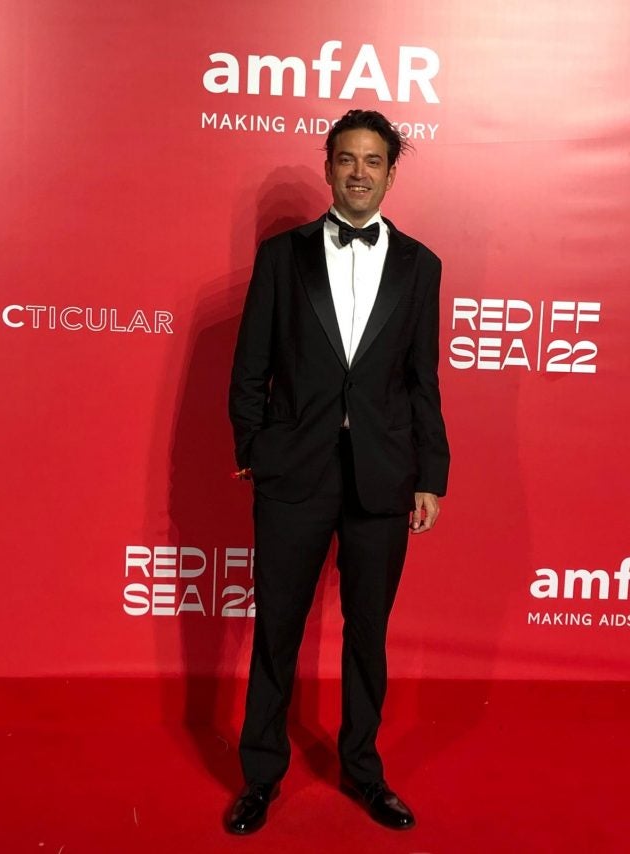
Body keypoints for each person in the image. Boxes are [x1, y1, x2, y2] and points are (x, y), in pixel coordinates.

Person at [226, 108, 450, 834]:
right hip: (294, 472)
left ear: (390, 173)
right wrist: (253, 449)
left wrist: (431, 473)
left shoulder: (421, 265)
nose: (359, 172)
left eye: (373, 161)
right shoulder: (281, 256)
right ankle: (261, 774)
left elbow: (422, 380)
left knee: (367, 633)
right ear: (329, 169)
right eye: (347, 159)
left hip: (383, 475)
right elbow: (251, 364)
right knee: (277, 628)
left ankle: (363, 770)